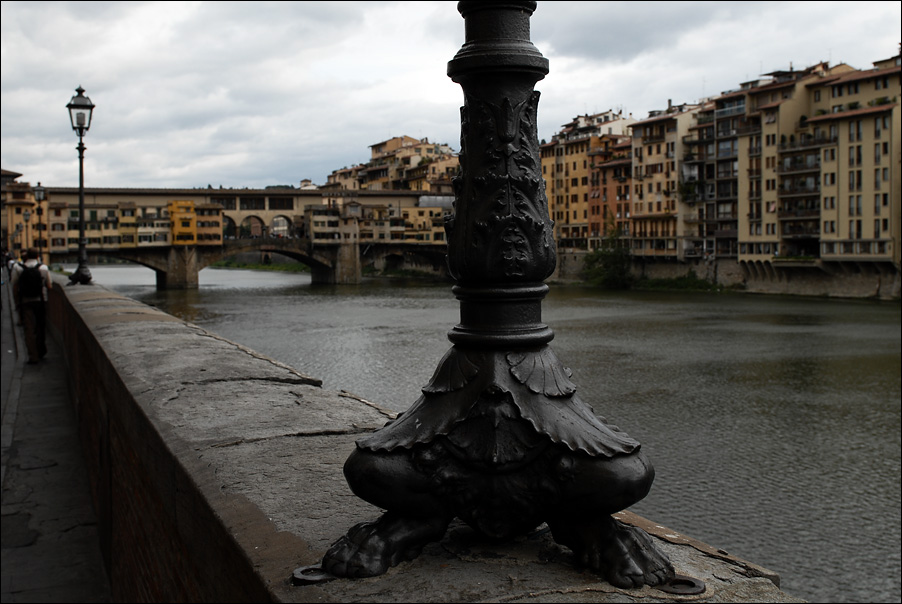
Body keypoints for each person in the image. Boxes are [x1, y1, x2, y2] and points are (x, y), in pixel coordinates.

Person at [11, 248, 53, 364]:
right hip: (41, 301)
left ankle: (33, 356)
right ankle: (41, 350)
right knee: (40, 326)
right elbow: (49, 286)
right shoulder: (43, 268)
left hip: (25, 302)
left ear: (26, 256)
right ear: (38, 256)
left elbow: (14, 285)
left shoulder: (18, 268)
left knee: (29, 328)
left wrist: (16, 302)